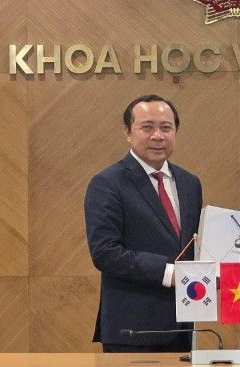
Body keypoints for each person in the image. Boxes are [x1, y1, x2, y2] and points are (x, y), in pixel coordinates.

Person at [84, 94, 202, 353]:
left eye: (166, 127)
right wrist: (168, 273)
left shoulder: (190, 183)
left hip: (183, 327)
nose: (158, 136)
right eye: (147, 127)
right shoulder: (107, 183)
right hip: (131, 332)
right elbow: (105, 252)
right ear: (128, 132)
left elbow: (192, 246)